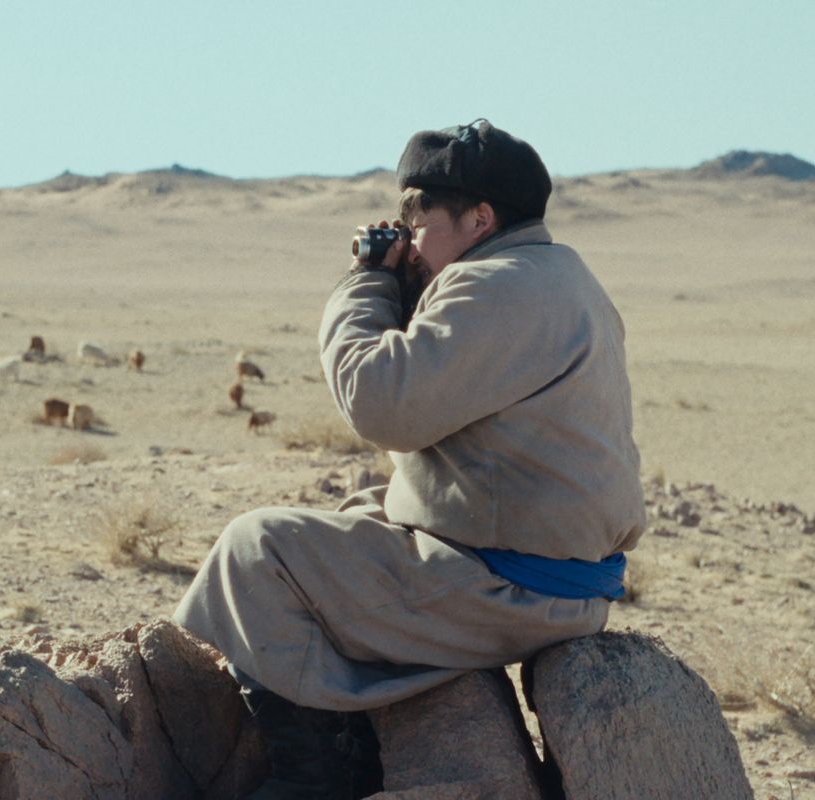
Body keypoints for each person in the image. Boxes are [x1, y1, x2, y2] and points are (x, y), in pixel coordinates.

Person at [174, 120, 646, 799]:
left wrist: (366, 283)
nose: (411, 242)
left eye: (419, 225)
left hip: (513, 588)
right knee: (357, 514)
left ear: (479, 218)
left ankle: (316, 775)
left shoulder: (497, 287)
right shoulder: (557, 274)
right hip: (555, 576)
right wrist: (412, 284)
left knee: (259, 550)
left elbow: (380, 405)